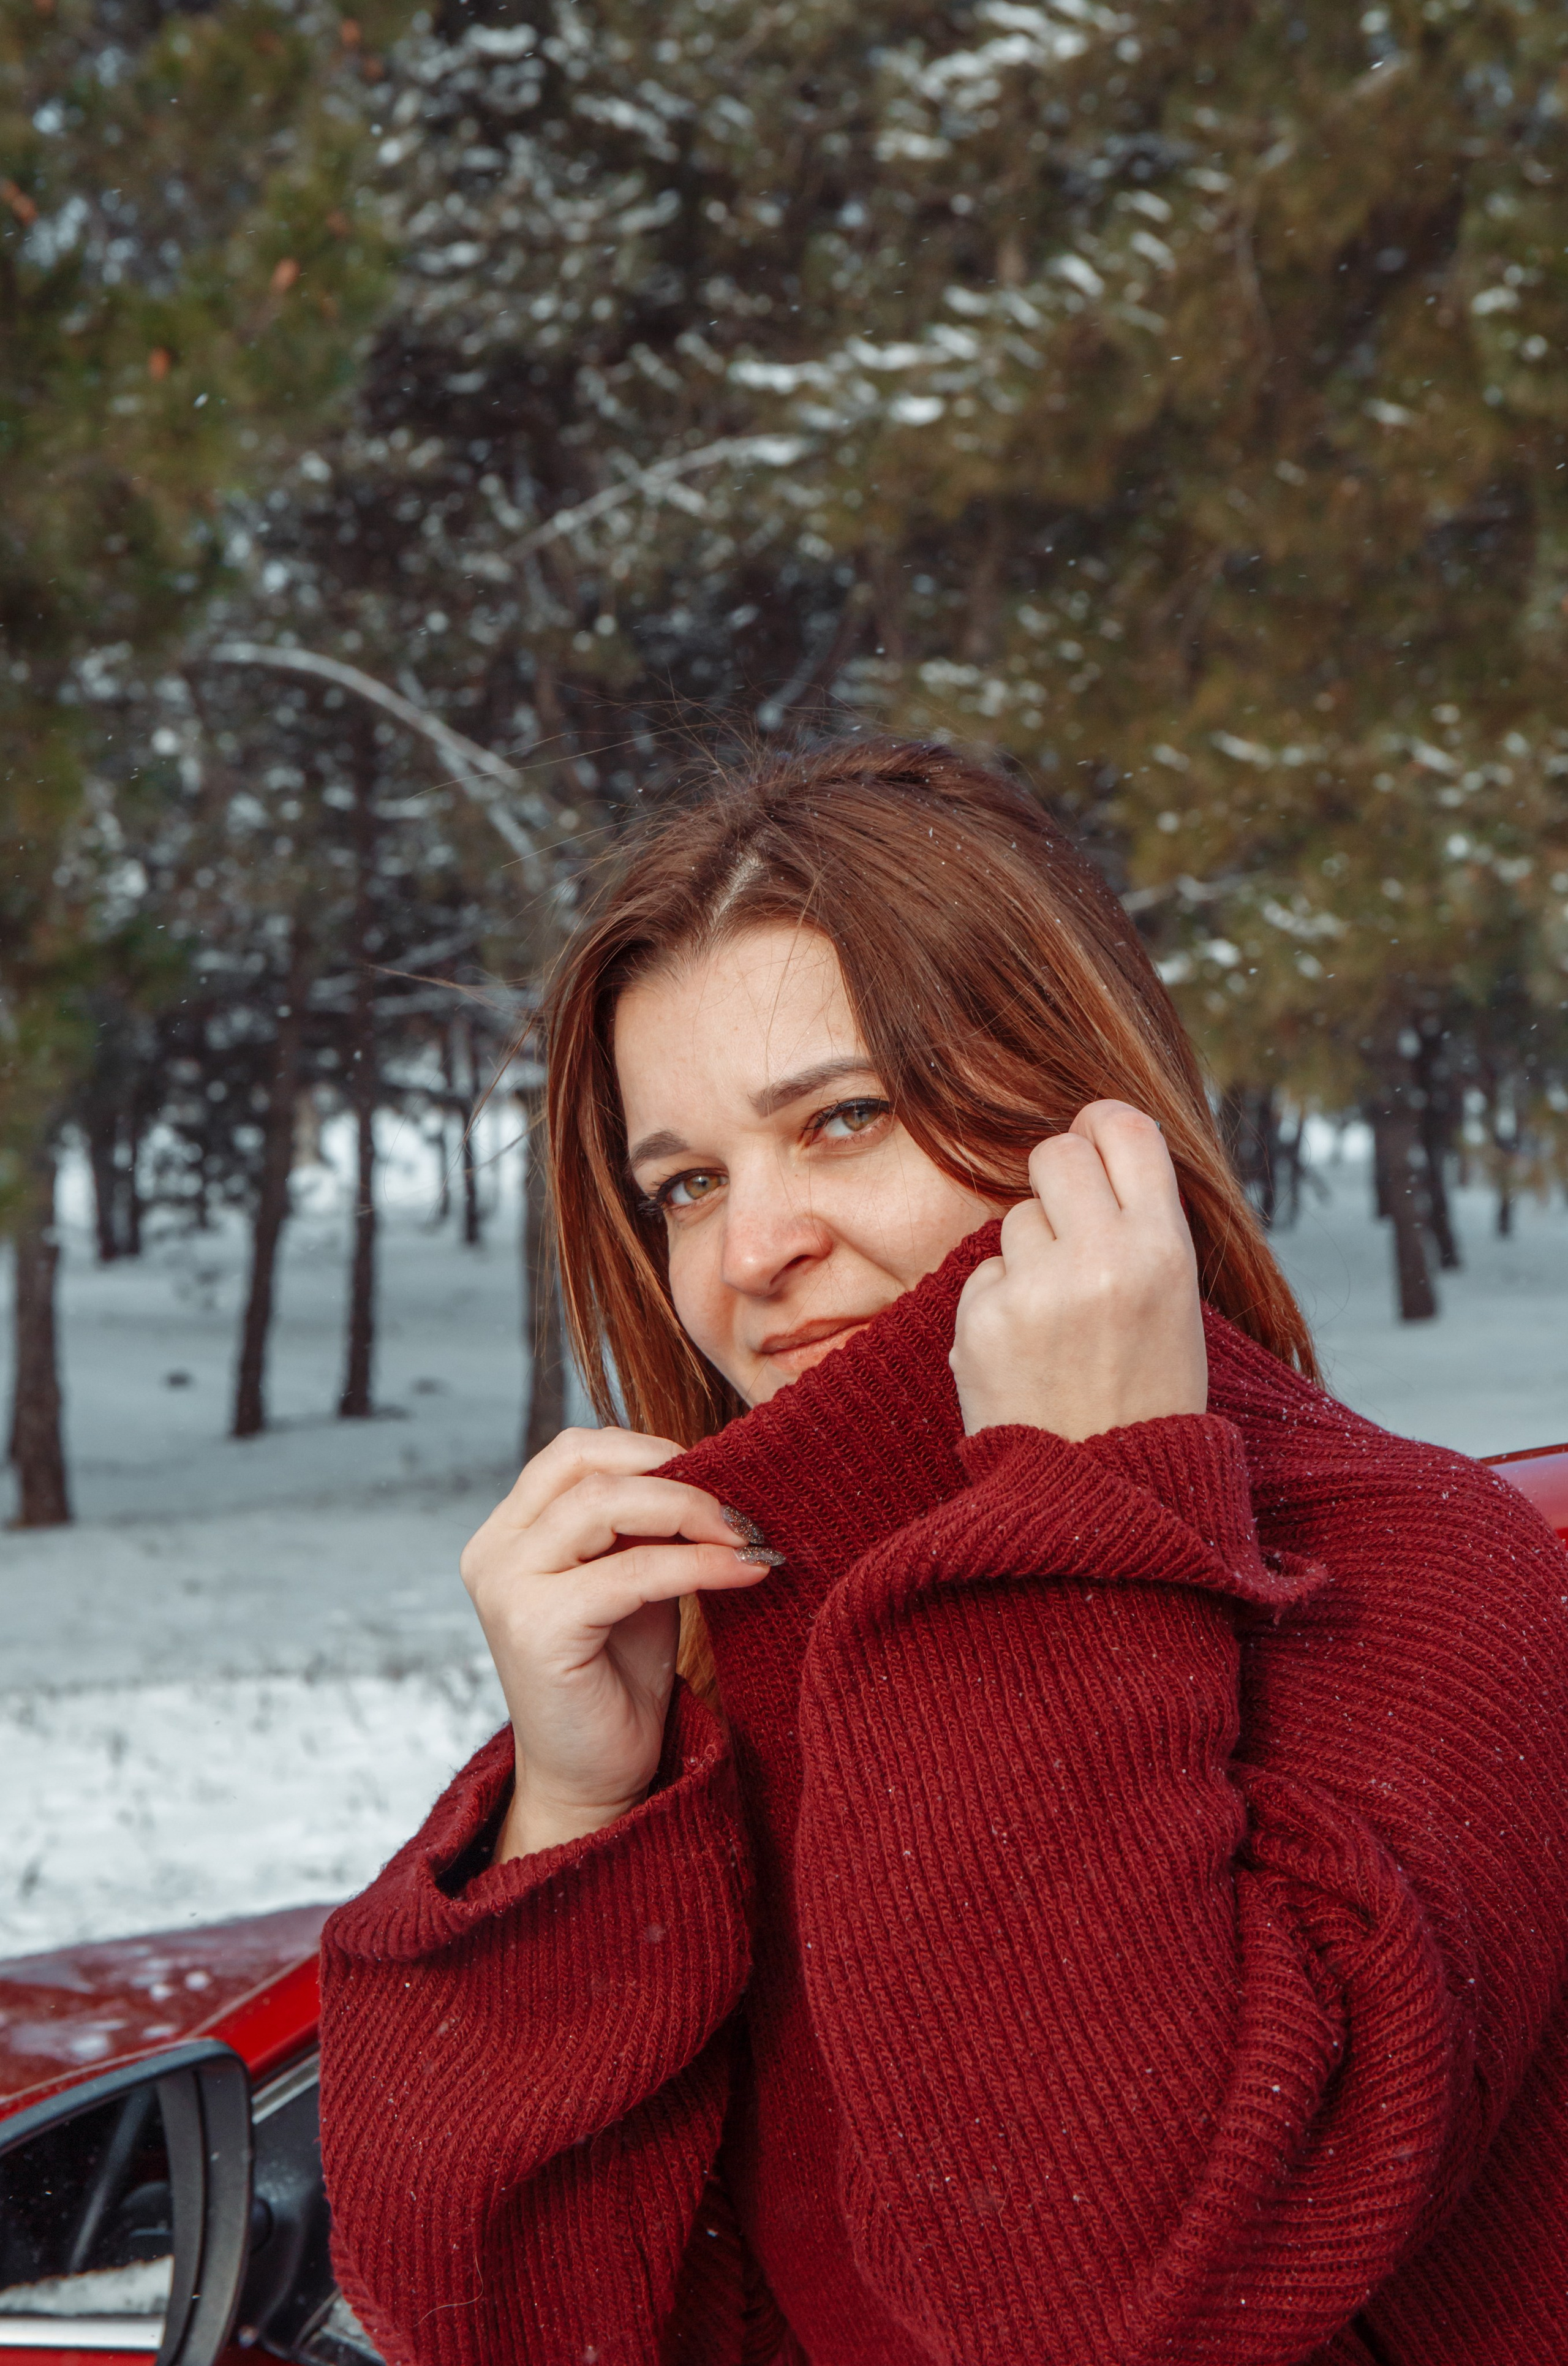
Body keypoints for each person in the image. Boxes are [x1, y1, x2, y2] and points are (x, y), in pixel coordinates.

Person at [318, 739, 1568, 2366]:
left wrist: (1067, 1522)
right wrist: (570, 1825)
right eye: (685, 1184)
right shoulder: (716, 1639)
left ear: (1083, 1129)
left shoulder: (1419, 1579)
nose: (752, 1254)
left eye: (842, 1118)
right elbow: (485, 2331)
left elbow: (1100, 2303)